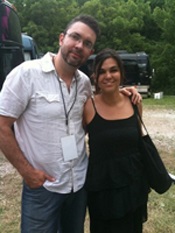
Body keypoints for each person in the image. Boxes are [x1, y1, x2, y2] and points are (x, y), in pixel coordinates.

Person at [0, 15, 141, 233]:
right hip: (43, 187)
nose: (79, 46)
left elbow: (99, 106)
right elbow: (2, 125)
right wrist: (26, 172)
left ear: (90, 52)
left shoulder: (84, 83)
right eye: (75, 37)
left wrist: (121, 93)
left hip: (79, 186)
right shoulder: (26, 74)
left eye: (87, 44)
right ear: (61, 38)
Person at [83, 48, 149, 233]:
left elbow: (138, 138)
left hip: (132, 183)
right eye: (102, 71)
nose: (108, 76)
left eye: (113, 70)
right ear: (95, 77)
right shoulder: (88, 106)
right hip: (103, 189)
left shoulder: (134, 102)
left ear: (121, 73)